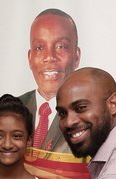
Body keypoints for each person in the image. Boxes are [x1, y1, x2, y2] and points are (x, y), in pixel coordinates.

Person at [19, 8, 81, 153]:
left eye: (60, 46)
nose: (49, 57)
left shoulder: (89, 116)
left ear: (76, 57)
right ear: (30, 58)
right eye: (39, 47)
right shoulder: (10, 109)